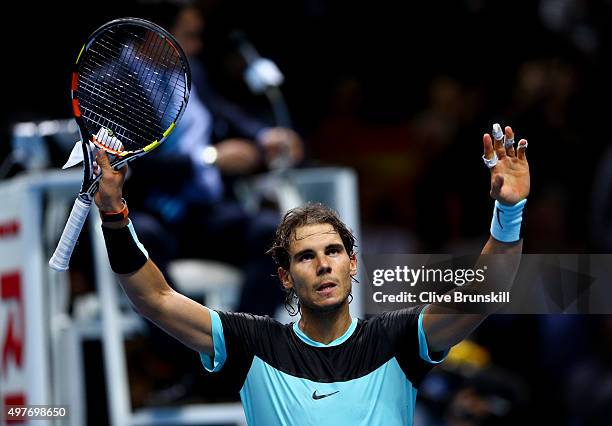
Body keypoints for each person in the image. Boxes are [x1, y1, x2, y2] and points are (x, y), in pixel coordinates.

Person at [94, 123, 529, 424]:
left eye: (334, 251)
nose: (323, 263)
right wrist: (114, 214)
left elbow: (487, 291)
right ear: (284, 277)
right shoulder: (253, 343)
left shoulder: (396, 340)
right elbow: (154, 298)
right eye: (305, 257)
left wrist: (509, 212)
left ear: (353, 263)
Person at [128, 2, 304, 316]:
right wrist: (209, 159)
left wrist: (265, 137)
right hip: (148, 214)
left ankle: (241, 348)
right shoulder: (110, 81)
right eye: (190, 35)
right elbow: (130, 165)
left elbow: (220, 110)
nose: (197, 46)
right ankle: (188, 359)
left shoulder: (190, 70)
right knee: (144, 239)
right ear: (155, 33)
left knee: (279, 236)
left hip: (203, 215)